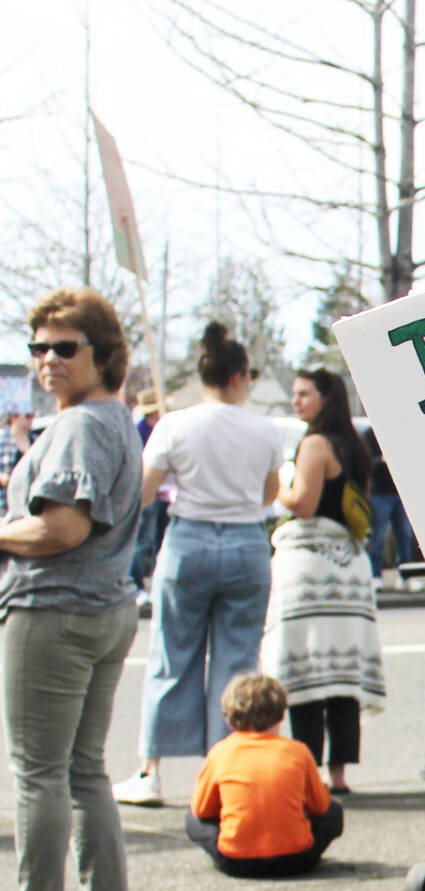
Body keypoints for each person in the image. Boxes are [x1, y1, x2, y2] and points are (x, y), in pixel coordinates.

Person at [0, 289, 144, 891]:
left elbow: (63, 527)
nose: (47, 360)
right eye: (38, 348)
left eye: (65, 347)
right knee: (85, 769)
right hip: (105, 607)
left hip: (54, 609)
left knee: (38, 773)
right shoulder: (115, 420)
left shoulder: (82, 426)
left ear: (103, 354)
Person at [116, 322, 283, 806]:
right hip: (246, 543)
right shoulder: (265, 429)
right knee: (236, 661)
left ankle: (151, 771)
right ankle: (224, 769)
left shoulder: (174, 423)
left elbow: (144, 493)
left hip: (188, 539)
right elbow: (269, 494)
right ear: (237, 376)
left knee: (172, 654)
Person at [263, 370, 386, 793]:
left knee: (309, 673)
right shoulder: (355, 445)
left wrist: (279, 482)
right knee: (343, 674)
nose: (295, 401)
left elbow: (303, 504)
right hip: (350, 566)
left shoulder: (314, 445)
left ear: (324, 398)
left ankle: (310, 771)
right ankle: (339, 774)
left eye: (303, 394)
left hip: (312, 569)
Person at [186, 672, 344, 876]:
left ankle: (240, 840)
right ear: (280, 715)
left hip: (236, 861)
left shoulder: (220, 753)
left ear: (229, 719)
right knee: (335, 813)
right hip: (297, 859)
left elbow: (202, 811)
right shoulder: (298, 751)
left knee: (192, 819)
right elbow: (321, 807)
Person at [363, 422, 418, 589]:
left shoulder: (396, 430)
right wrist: (380, 460)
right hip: (379, 492)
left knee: (404, 535)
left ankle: (406, 576)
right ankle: (376, 574)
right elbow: (364, 462)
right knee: (378, 536)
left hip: (399, 492)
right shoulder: (369, 434)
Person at [126, 386, 168, 601]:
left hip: (164, 494)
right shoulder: (138, 430)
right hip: (145, 492)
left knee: (160, 540)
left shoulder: (162, 428)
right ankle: (135, 585)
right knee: (141, 540)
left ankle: (158, 583)